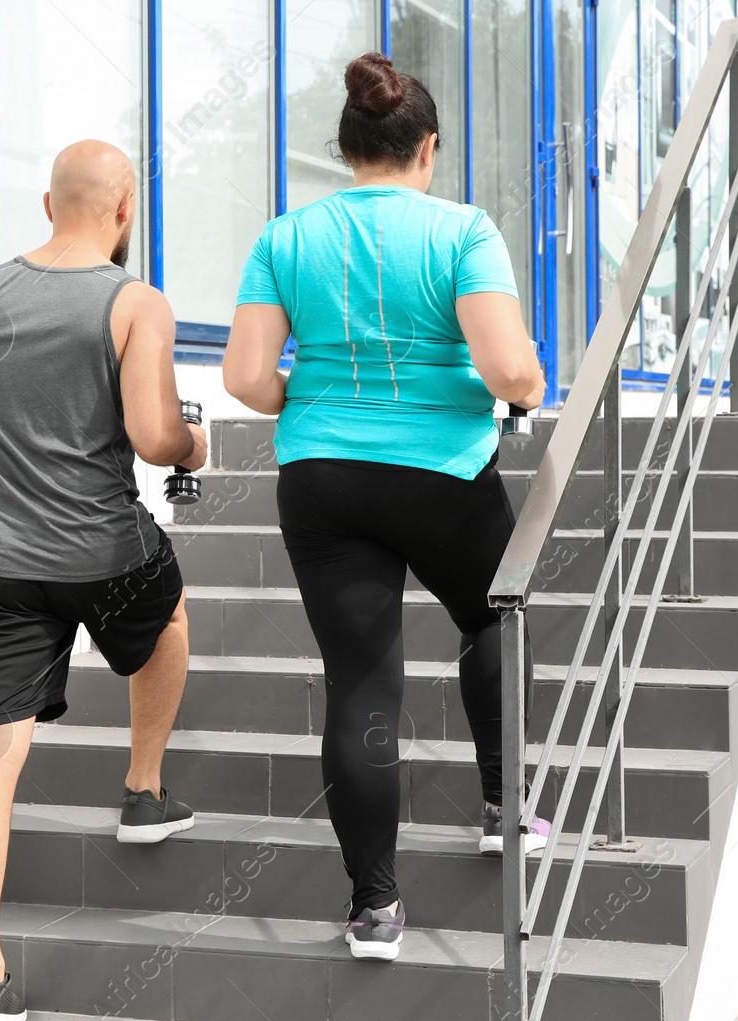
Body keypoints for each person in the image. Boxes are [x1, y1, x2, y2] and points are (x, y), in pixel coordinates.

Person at [222, 52, 552, 963]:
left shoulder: (285, 237)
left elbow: (248, 377)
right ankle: (502, 806)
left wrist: (321, 409)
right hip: (442, 469)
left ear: (346, 146)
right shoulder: (463, 231)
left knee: (363, 682)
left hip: (322, 478)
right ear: (428, 148)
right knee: (493, 621)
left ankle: (375, 909)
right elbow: (507, 369)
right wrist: (528, 383)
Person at [0, 139, 208, 1021]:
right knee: (170, 613)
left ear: (47, 205)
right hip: (106, 555)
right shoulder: (133, 301)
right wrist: (194, 443)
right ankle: (144, 790)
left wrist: (7, 428)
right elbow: (153, 439)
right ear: (123, 212)